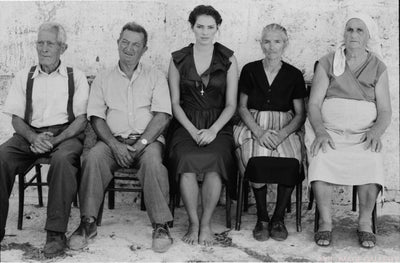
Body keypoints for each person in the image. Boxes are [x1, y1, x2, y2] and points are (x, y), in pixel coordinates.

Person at [68, 22, 174, 253]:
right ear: (117, 43)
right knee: (93, 158)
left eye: (136, 45)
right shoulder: (103, 78)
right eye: (125, 42)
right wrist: (115, 145)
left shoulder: (155, 76)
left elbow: (163, 116)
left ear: (144, 50)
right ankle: (87, 222)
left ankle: (161, 225)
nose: (129, 48)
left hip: (147, 142)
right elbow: (96, 117)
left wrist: (140, 144)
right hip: (111, 141)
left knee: (154, 163)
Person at [0, 22, 89, 258]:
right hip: (30, 133)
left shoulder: (75, 77)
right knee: (1, 157)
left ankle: (55, 234)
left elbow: (81, 120)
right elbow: (16, 119)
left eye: (50, 43)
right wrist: (32, 137)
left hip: (65, 133)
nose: (44, 48)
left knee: (62, 160)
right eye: (40, 42)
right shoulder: (24, 76)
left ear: (63, 47)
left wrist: (56, 139)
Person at [305, 13, 392, 248]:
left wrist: (375, 132)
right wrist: (321, 131)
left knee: (371, 161)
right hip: (329, 132)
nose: (353, 34)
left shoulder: (378, 67)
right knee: (321, 157)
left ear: (368, 36)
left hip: (362, 135)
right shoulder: (327, 62)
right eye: (350, 29)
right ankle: (325, 222)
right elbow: (313, 104)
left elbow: (385, 111)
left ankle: (364, 223)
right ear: (343, 34)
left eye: (359, 30)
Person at [167, 5, 238, 246]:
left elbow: (231, 104)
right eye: (200, 26)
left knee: (214, 163)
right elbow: (175, 103)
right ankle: (193, 221)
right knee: (185, 161)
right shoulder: (178, 59)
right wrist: (190, 129)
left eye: (210, 27)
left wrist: (213, 130)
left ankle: (206, 223)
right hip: (186, 123)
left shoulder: (228, 59)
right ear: (192, 28)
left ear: (218, 28)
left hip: (218, 124)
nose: (205, 32)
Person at [234, 24, 307, 242]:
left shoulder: (293, 74)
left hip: (284, 126)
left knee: (291, 159)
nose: (271, 46)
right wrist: (258, 131)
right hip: (254, 124)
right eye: (267, 41)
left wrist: (283, 133)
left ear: (285, 44)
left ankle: (278, 219)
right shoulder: (250, 70)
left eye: (277, 41)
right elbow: (242, 107)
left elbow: (300, 114)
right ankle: (262, 218)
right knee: (256, 159)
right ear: (261, 43)